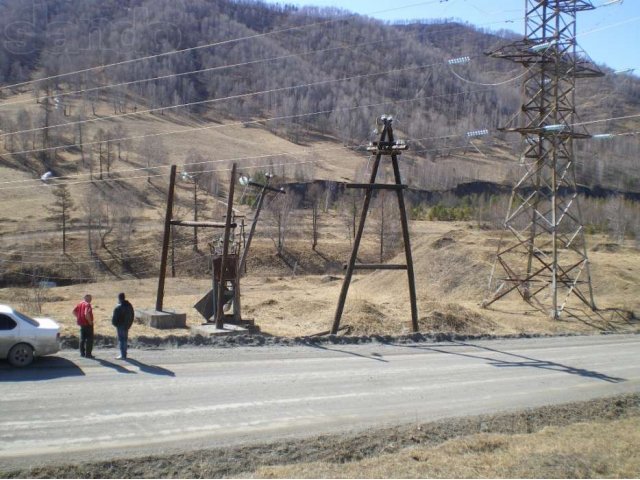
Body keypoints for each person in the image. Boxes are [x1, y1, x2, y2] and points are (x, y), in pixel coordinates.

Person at [111, 292, 135, 360]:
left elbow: (114, 318)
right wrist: (129, 324)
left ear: (119, 298)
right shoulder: (129, 305)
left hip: (120, 325)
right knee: (125, 339)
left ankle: (123, 355)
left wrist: (115, 324)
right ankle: (124, 353)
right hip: (127, 325)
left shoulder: (118, 307)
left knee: (121, 340)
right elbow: (132, 315)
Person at [73, 294, 94, 358]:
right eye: (90, 298)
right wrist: (90, 322)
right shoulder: (87, 304)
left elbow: (73, 311)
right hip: (87, 324)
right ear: (86, 298)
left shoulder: (80, 304)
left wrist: (79, 317)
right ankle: (88, 354)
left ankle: (82, 353)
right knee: (89, 339)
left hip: (81, 324)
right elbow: (86, 314)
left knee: (82, 338)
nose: (91, 299)